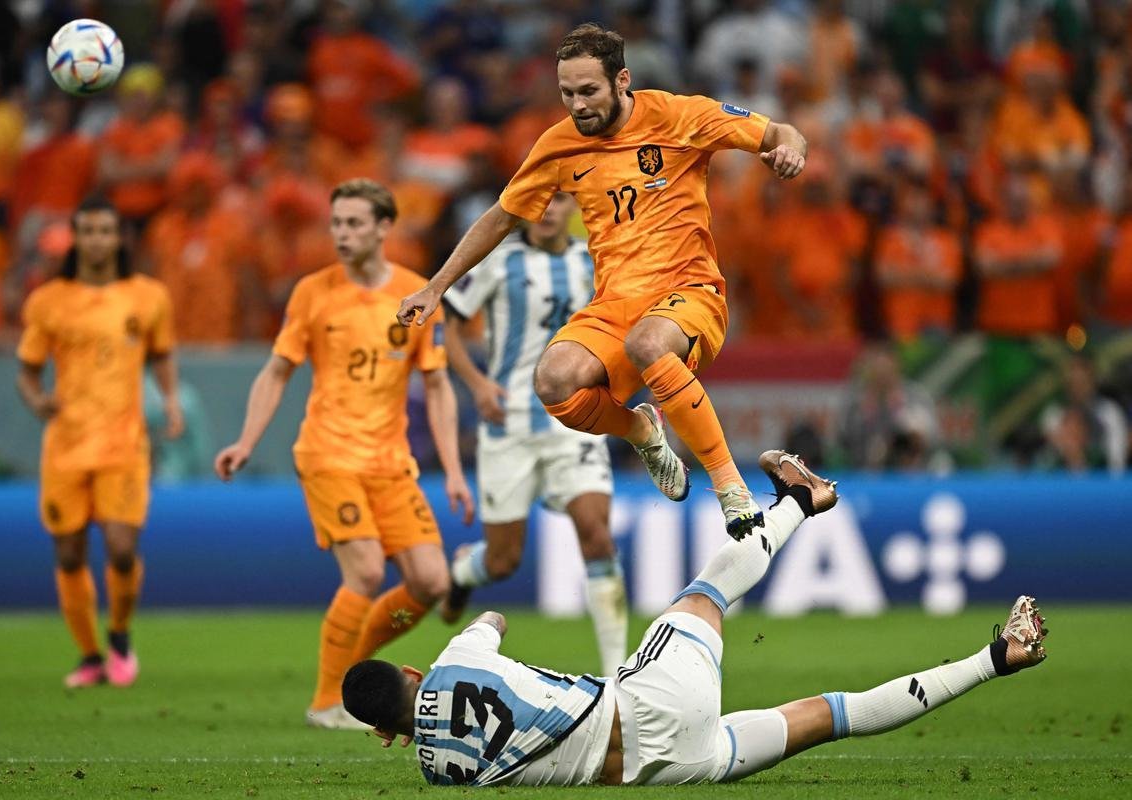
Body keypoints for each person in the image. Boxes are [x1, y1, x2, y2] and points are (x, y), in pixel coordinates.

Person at [341, 452, 1050, 787]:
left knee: (831, 715)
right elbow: (490, 617)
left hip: (670, 768)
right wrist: (464, 629)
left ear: (383, 734)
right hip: (645, 700)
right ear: (408, 670)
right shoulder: (459, 657)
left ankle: (998, 658)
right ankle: (801, 502)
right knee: (704, 594)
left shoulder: (441, 771)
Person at [397, 23, 808, 540]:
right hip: (616, 302)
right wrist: (435, 287)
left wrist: (791, 152)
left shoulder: (680, 116)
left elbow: (780, 133)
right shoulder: (559, 145)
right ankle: (641, 429)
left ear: (622, 81)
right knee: (555, 381)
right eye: (567, 93)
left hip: (690, 292)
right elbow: (501, 217)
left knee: (649, 342)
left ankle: (731, 489)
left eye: (588, 91)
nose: (577, 105)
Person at [213, 178, 475, 730]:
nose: (342, 233)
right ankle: (329, 701)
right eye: (336, 223)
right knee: (365, 568)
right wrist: (246, 441)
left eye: (355, 223)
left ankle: (354, 666)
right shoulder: (312, 291)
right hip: (328, 453)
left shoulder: (417, 294)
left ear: (384, 228)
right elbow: (278, 369)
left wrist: (452, 471)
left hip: (390, 462)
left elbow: (438, 387)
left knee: (430, 583)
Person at [440, 191, 627, 676]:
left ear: (574, 209)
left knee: (597, 536)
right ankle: (463, 572)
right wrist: (478, 384)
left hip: (575, 420)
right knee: (503, 562)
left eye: (559, 200)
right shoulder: (500, 260)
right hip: (510, 426)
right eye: (539, 201)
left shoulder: (594, 261)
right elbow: (449, 325)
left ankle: (618, 677)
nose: (547, 210)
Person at [16, 196, 184, 689]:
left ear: (119, 238)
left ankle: (120, 636)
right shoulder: (48, 300)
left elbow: (163, 355)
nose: (96, 241)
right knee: (69, 555)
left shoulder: (148, 296)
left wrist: (172, 402)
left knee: (121, 549)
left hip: (124, 443)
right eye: (87, 231)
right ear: (76, 237)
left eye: (105, 231)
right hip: (65, 445)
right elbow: (26, 371)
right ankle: (89, 655)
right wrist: (36, 400)